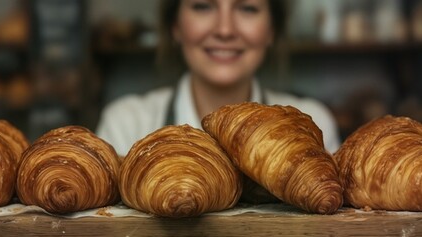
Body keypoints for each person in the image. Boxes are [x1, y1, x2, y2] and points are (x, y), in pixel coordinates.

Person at [96, 0, 340, 156]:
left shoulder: (312, 125)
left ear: (271, 30)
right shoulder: (126, 126)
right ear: (176, 26)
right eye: (203, 6)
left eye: (247, 8)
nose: (225, 30)